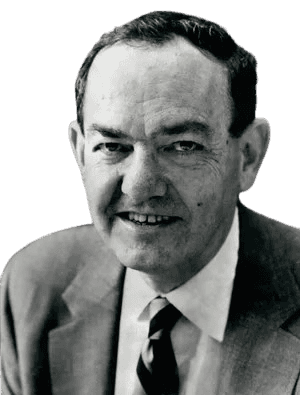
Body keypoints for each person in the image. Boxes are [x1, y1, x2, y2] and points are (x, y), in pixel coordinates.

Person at [1, 10, 300, 395]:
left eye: (182, 146)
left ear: (248, 156)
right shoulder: (33, 285)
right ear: (80, 153)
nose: (140, 187)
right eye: (112, 146)